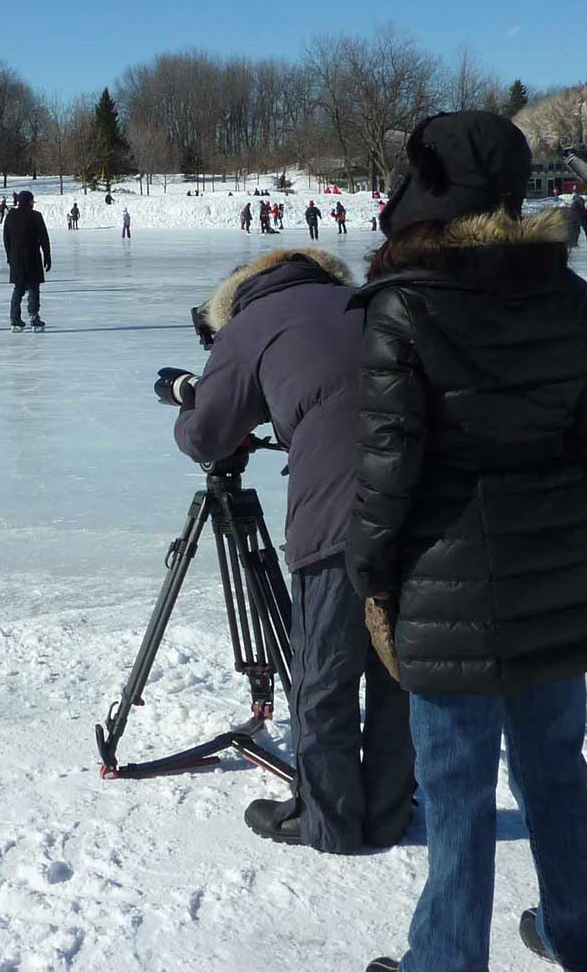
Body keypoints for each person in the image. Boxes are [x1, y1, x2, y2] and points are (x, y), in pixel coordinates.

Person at [351, 112, 587, 972]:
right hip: (553, 572)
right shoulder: (566, 293)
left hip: (443, 581)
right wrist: (564, 536)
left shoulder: (404, 302)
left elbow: (388, 466)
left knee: (457, 790)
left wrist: (373, 573)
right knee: (554, 772)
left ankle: (445, 961)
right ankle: (582, 941)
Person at [159, 245, 417, 856]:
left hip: (337, 510)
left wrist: (185, 398)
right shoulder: (367, 302)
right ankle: (386, 810)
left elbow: (208, 435)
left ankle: (324, 818)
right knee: (394, 668)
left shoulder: (250, 324)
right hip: (416, 501)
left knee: (323, 672)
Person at [2, 190, 51, 331]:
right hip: (32, 257)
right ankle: (34, 317)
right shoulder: (35, 216)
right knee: (33, 287)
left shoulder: (10, 216)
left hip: (16, 258)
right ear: (28, 201)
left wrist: (9, 256)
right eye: (32, 200)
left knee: (18, 288)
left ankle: (15, 319)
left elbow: (6, 238)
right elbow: (44, 238)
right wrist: (47, 255)